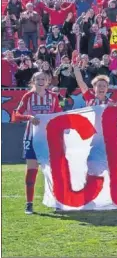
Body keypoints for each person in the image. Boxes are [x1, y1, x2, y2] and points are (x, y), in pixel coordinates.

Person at [12, 72, 62, 214]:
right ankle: (29, 203)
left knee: (53, 170)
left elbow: (59, 114)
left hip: (49, 137)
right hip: (32, 137)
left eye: (43, 79)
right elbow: (16, 116)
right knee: (32, 169)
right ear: (33, 81)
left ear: (47, 82)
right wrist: (29, 117)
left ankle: (57, 201)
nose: (41, 81)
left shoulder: (53, 97)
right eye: (38, 79)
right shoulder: (28, 96)